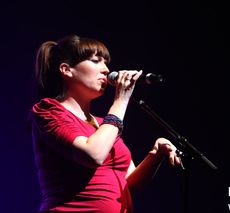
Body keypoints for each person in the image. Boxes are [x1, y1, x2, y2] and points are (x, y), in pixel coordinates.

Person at [29, 34, 181, 213]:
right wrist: (121, 101)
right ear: (67, 70)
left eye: (106, 63)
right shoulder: (48, 111)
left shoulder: (104, 124)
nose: (106, 70)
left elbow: (127, 185)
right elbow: (93, 155)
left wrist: (155, 155)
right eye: (96, 61)